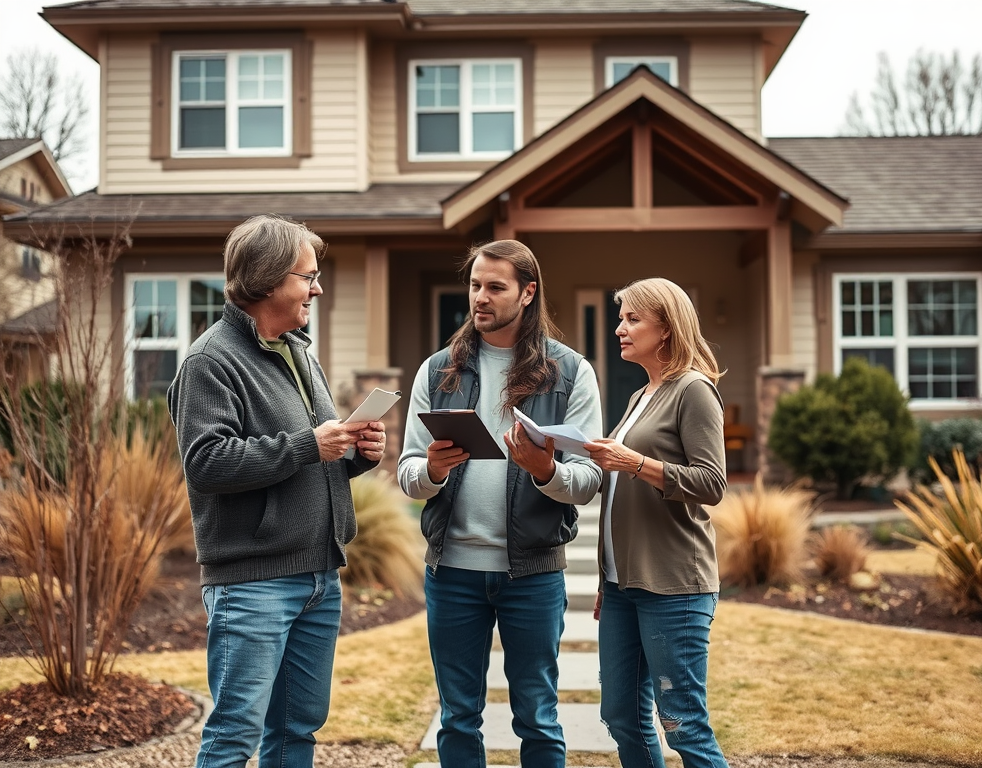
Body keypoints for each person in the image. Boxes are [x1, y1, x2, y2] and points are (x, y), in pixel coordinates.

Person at [167, 214, 387, 768]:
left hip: (318, 575)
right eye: (306, 276)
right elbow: (207, 463)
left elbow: (310, 454)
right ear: (266, 281)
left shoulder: (298, 350)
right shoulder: (210, 362)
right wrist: (310, 445)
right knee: (235, 736)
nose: (317, 287)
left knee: (296, 733)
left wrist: (356, 454)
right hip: (253, 583)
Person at [397, 239, 603, 768]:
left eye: (495, 287)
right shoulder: (437, 370)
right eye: (474, 285)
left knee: (537, 716)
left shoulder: (571, 372)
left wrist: (546, 471)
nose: (480, 298)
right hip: (453, 574)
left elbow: (588, 479)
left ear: (528, 293)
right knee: (457, 717)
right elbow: (408, 473)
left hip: (532, 576)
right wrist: (434, 472)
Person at [584, 277, 729, 768]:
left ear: (665, 329)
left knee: (683, 723)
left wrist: (635, 463)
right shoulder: (640, 395)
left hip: (674, 584)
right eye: (621, 318)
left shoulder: (694, 389)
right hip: (624, 585)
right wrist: (608, 576)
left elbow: (711, 483)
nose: (619, 328)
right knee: (622, 716)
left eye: (632, 319)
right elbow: (618, 496)